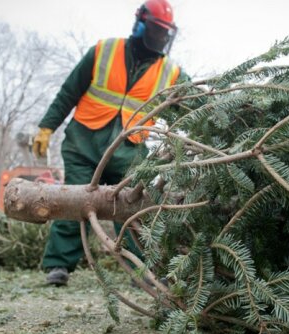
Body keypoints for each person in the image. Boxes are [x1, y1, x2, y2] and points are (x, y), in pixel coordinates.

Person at [32, 0, 187, 286]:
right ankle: (59, 266)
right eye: (156, 29)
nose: (160, 37)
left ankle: (139, 268)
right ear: (140, 23)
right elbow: (69, 92)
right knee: (74, 202)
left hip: (128, 151)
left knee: (131, 209)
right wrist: (46, 127)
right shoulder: (104, 51)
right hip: (83, 144)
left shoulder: (171, 74)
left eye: (164, 32)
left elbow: (191, 105)